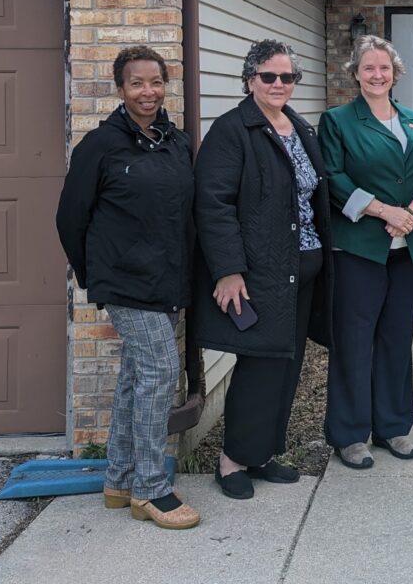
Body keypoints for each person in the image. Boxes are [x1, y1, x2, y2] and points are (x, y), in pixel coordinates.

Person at [55, 46, 199, 530]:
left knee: (137, 377)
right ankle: (151, 489)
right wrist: (97, 275)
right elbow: (70, 219)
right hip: (124, 283)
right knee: (160, 371)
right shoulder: (100, 146)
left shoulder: (176, 142)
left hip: (169, 280)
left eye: (155, 82)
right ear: (120, 89)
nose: (148, 92)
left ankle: (118, 479)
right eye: (137, 83)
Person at [193, 39, 333, 500]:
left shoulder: (297, 126)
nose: (278, 84)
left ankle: (265, 453)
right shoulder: (233, 130)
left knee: (287, 364)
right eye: (268, 76)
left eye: (287, 77)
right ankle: (232, 460)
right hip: (259, 272)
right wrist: (228, 269)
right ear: (250, 79)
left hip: (303, 269)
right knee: (259, 366)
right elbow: (213, 205)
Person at [318, 35, 413, 469]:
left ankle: (392, 426)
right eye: (368, 68)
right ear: (355, 73)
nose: (377, 75)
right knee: (354, 340)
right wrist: (383, 210)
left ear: (395, 73)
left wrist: (409, 212)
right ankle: (350, 434)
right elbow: (332, 175)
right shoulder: (337, 121)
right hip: (359, 247)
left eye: (384, 68)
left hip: (409, 248)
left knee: (396, 338)